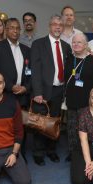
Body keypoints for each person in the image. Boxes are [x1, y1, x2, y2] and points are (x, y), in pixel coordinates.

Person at [31, 14, 72, 166]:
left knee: (54, 123)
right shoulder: (38, 44)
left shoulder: (66, 47)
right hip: (43, 91)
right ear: (50, 26)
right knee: (40, 123)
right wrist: (37, 92)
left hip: (59, 91)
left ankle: (51, 150)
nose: (57, 27)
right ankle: (38, 152)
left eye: (60, 25)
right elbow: (35, 70)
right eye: (55, 24)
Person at [64, 33, 93, 161]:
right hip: (71, 101)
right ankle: (72, 152)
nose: (76, 45)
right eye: (74, 42)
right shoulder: (69, 59)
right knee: (71, 129)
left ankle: (87, 153)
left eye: (79, 42)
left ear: (86, 45)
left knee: (88, 129)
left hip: (89, 103)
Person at [0, 18, 31, 108]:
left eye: (17, 28)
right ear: (6, 30)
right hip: (5, 94)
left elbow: (30, 71)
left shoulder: (26, 50)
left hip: (23, 97)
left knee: (21, 121)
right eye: (12, 28)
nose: (15, 31)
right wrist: (10, 86)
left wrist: (26, 87)